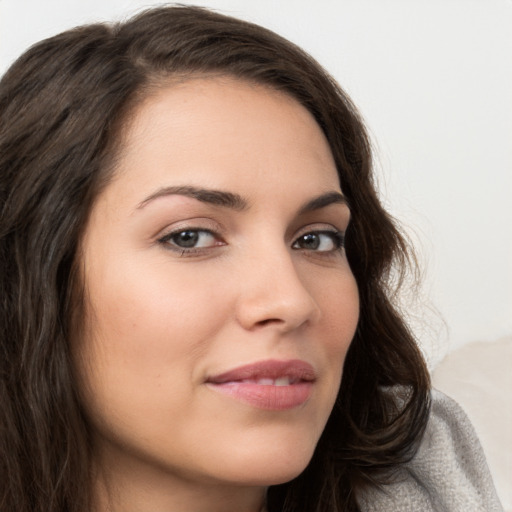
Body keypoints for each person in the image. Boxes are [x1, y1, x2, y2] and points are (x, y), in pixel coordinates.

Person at [0, 5, 503, 512]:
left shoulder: (438, 482)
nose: (291, 299)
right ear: (29, 280)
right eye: (190, 237)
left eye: (316, 239)